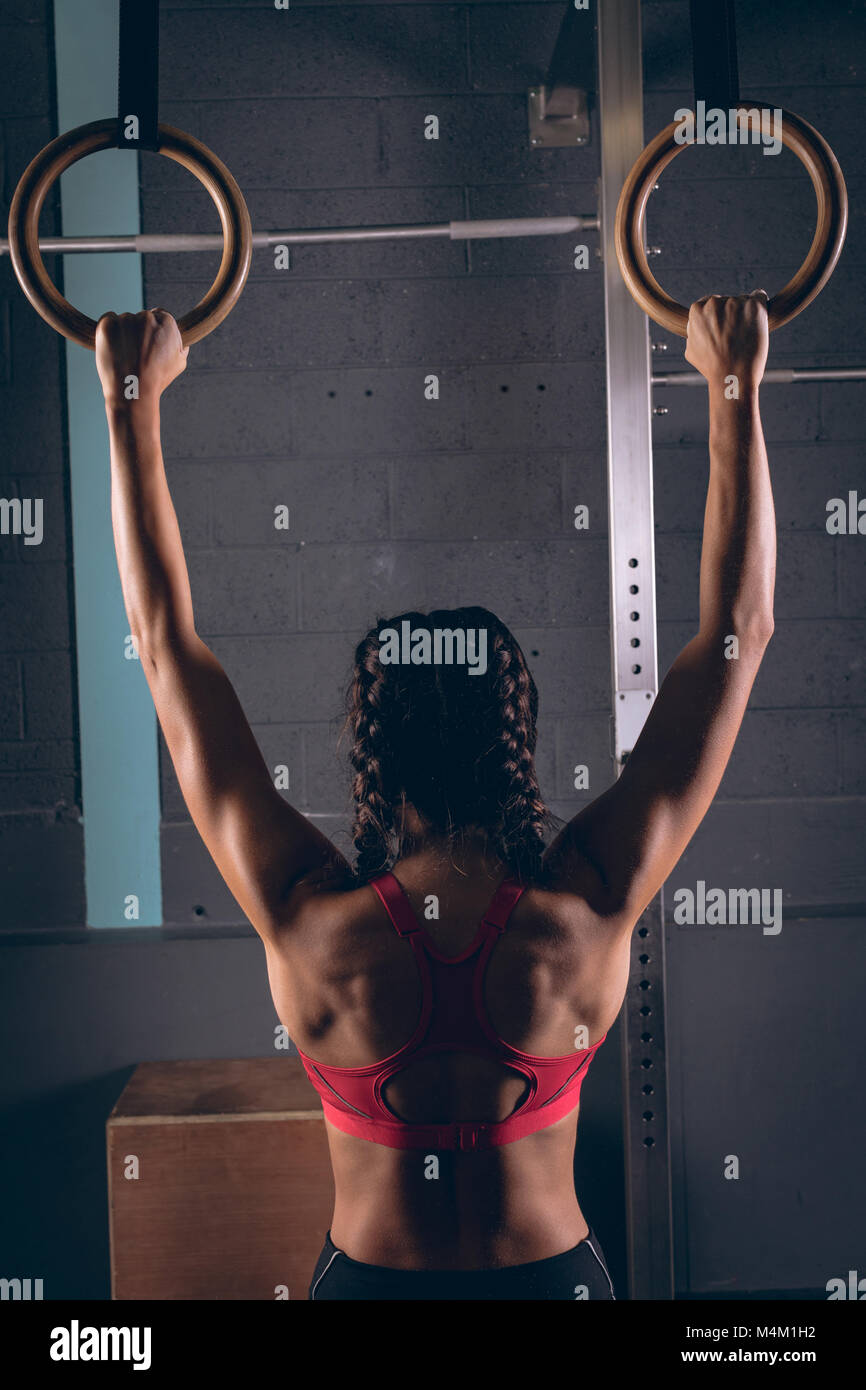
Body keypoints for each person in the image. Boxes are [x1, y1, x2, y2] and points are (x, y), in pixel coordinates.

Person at [95, 291, 775, 1300]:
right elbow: (738, 631)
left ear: (375, 751)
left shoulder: (306, 920)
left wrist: (129, 400)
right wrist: (733, 384)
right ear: (516, 740)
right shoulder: (584, 911)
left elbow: (161, 649)